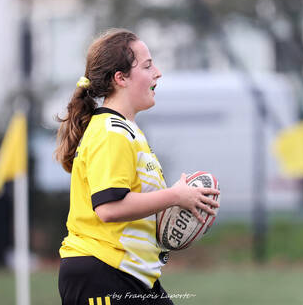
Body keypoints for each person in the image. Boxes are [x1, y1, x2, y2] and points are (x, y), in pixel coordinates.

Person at [56, 28, 220, 305]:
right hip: (101, 273)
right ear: (120, 78)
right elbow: (108, 208)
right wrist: (176, 196)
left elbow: (133, 207)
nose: (158, 72)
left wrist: (179, 210)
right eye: (147, 65)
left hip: (132, 275)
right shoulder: (110, 132)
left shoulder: (128, 131)